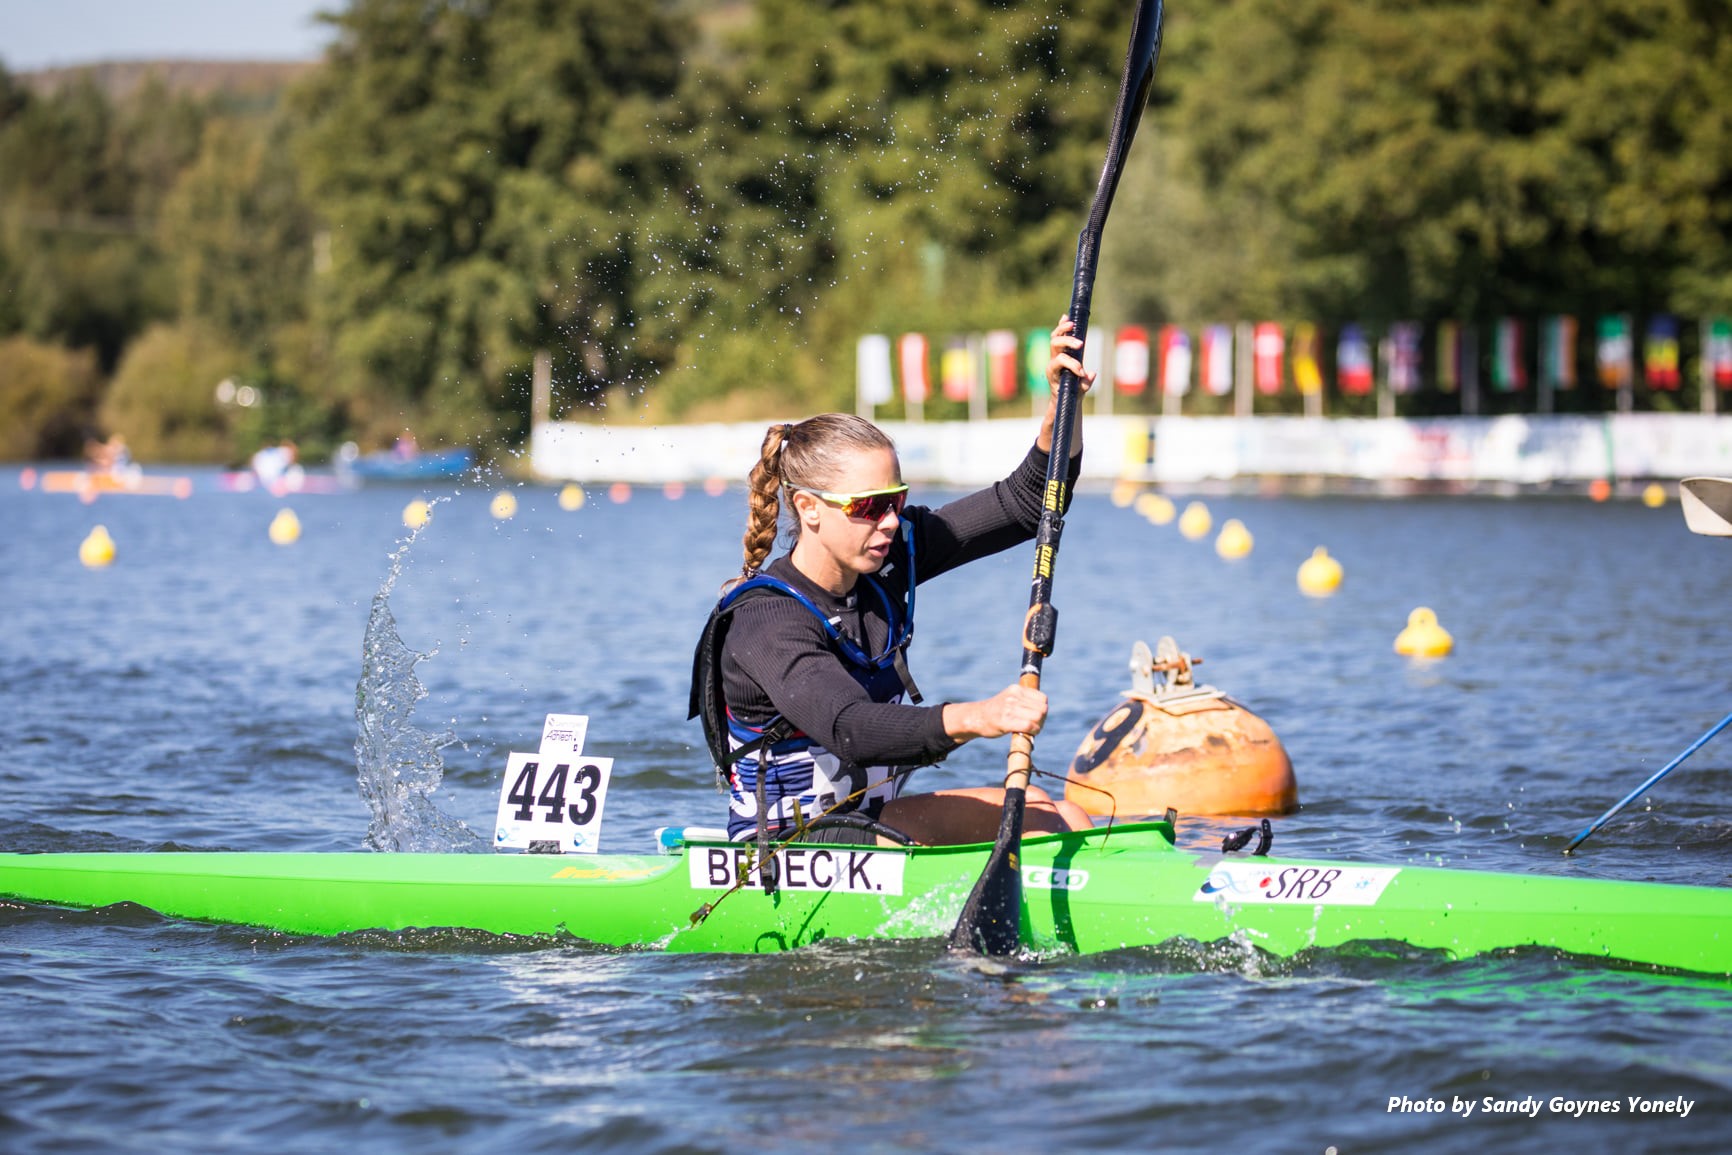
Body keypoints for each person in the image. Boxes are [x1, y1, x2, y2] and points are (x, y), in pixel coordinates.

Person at [691, 318, 1097, 848]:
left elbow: (1027, 505)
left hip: (874, 825)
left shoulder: (887, 559)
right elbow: (850, 728)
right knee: (1049, 821)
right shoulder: (765, 619)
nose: (888, 521)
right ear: (808, 509)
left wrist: (1060, 407)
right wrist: (981, 716)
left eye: (896, 500)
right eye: (868, 507)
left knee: (1051, 808)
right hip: (789, 850)